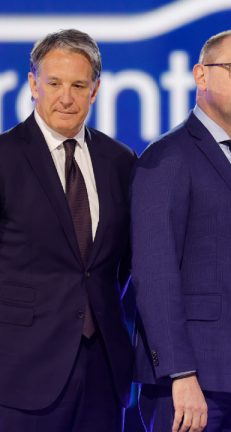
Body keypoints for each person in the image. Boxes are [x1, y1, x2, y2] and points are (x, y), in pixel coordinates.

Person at [131, 29, 231, 432]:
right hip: (191, 384)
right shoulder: (167, 157)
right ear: (200, 76)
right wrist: (179, 373)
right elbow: (154, 275)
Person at [0, 29, 135, 431]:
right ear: (32, 85)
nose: (66, 97)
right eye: (54, 83)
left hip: (103, 370)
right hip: (20, 375)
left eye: (79, 85)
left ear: (95, 90)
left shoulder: (120, 160)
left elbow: (122, 264)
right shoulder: (4, 158)